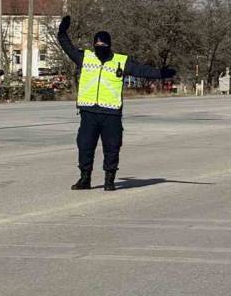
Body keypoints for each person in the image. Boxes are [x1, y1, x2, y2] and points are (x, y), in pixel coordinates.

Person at [57, 15, 176, 191]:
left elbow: (142, 70)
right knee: (85, 146)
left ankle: (109, 179)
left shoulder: (121, 61)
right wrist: (62, 31)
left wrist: (161, 73)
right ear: (93, 45)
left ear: (109, 45)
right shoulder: (85, 58)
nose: (100, 47)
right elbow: (67, 46)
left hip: (111, 113)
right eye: (97, 45)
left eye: (103, 45)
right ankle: (85, 178)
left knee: (112, 147)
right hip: (88, 112)